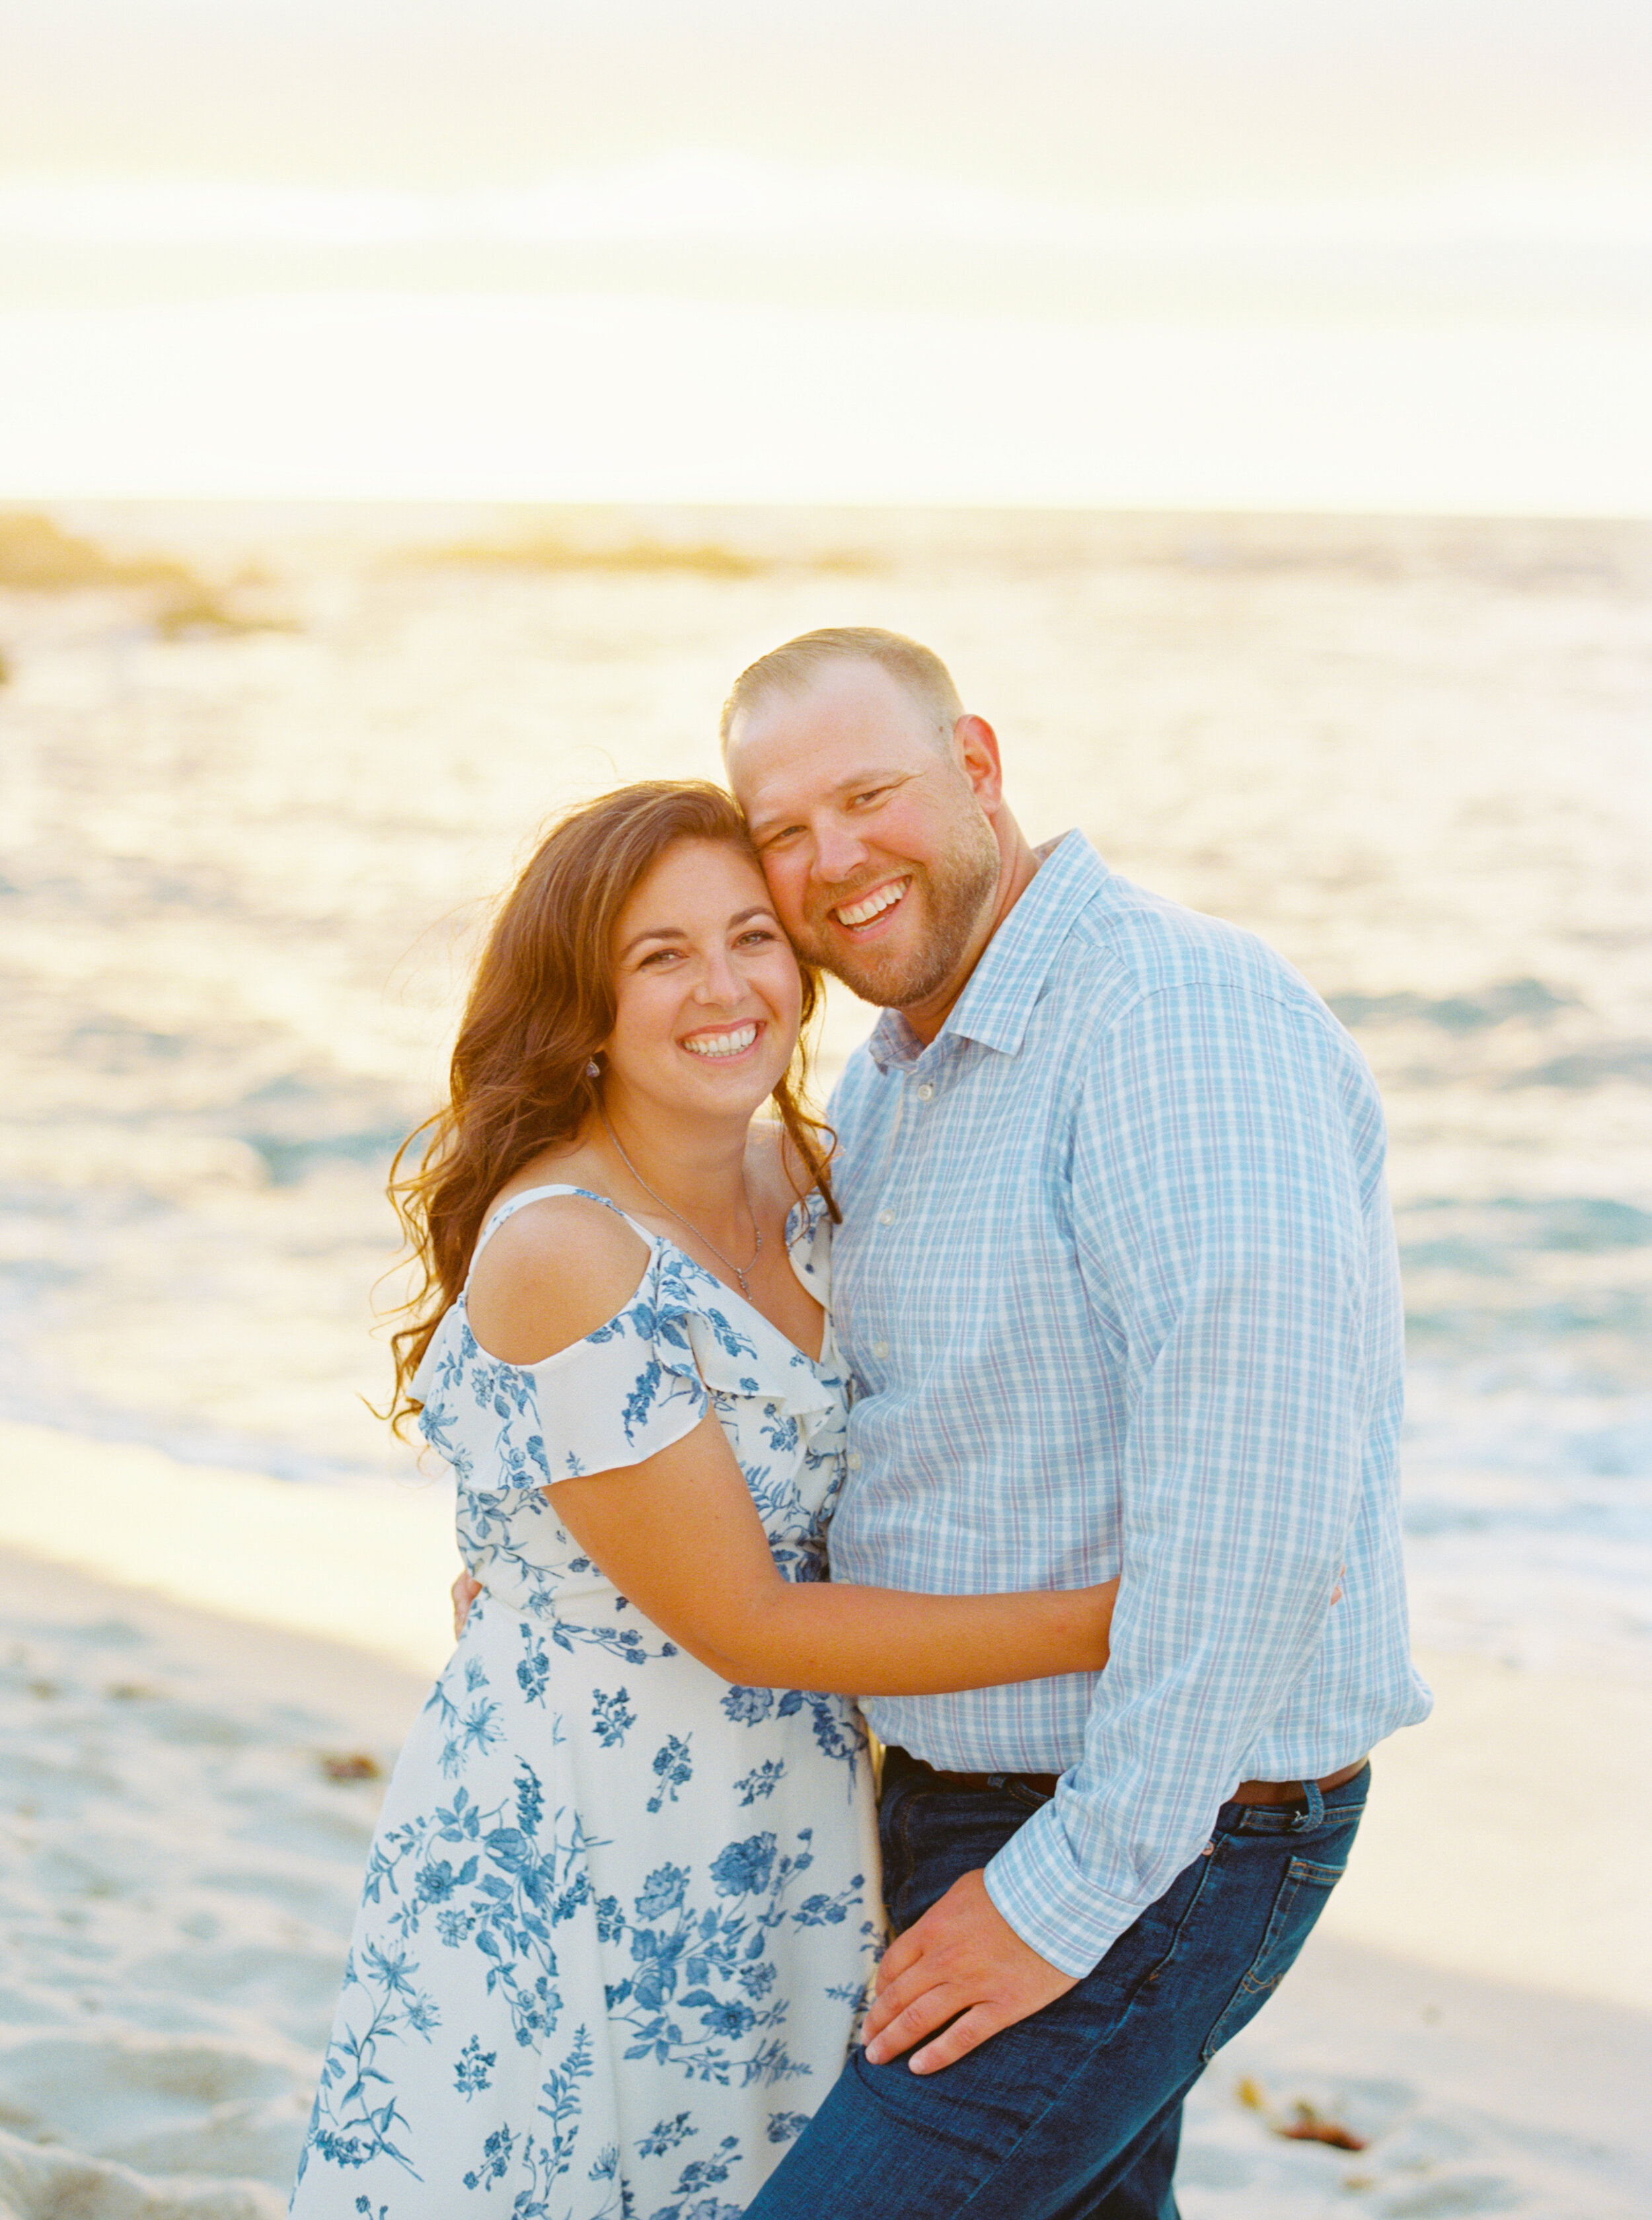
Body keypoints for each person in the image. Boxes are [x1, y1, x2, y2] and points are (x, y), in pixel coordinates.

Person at [287, 782, 1117, 2220]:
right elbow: (743, 1621)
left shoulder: (805, 1175)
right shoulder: (566, 1248)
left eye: (751, 937)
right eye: (661, 956)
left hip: (781, 1807)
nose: (725, 988)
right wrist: (1127, 1619)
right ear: (584, 1007)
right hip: (587, 1819)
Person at [713, 628, 1433, 2220]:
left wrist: (1067, 1893)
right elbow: (908, 1429)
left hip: (1166, 1824)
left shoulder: (1170, 1018)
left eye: (869, 791)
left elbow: (1261, 1501)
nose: (831, 859)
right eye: (781, 828)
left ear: (975, 767)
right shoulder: (908, 1062)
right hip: (972, 1793)